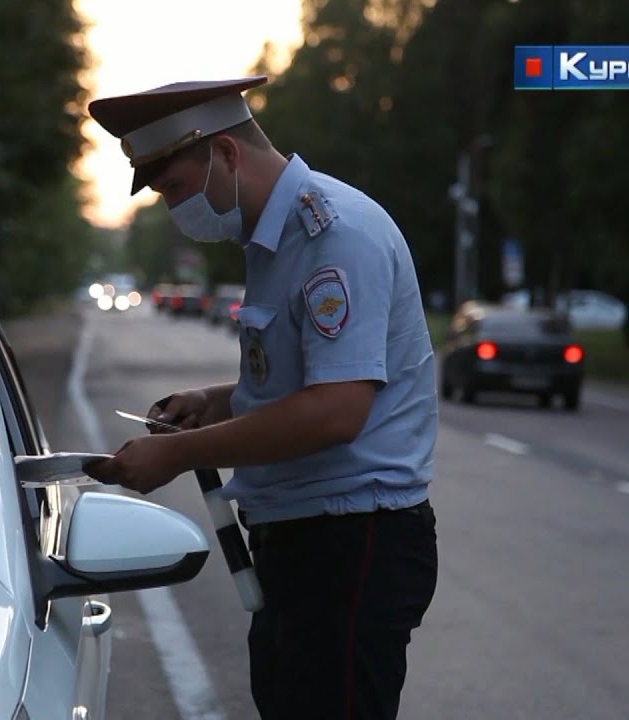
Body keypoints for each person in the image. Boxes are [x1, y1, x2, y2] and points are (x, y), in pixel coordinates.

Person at [83, 76, 439, 719]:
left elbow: (337, 410)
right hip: (306, 544)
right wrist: (215, 401)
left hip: (351, 544)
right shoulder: (274, 240)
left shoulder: (333, 235)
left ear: (225, 154)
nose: (173, 209)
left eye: (175, 189)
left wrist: (181, 454)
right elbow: (301, 380)